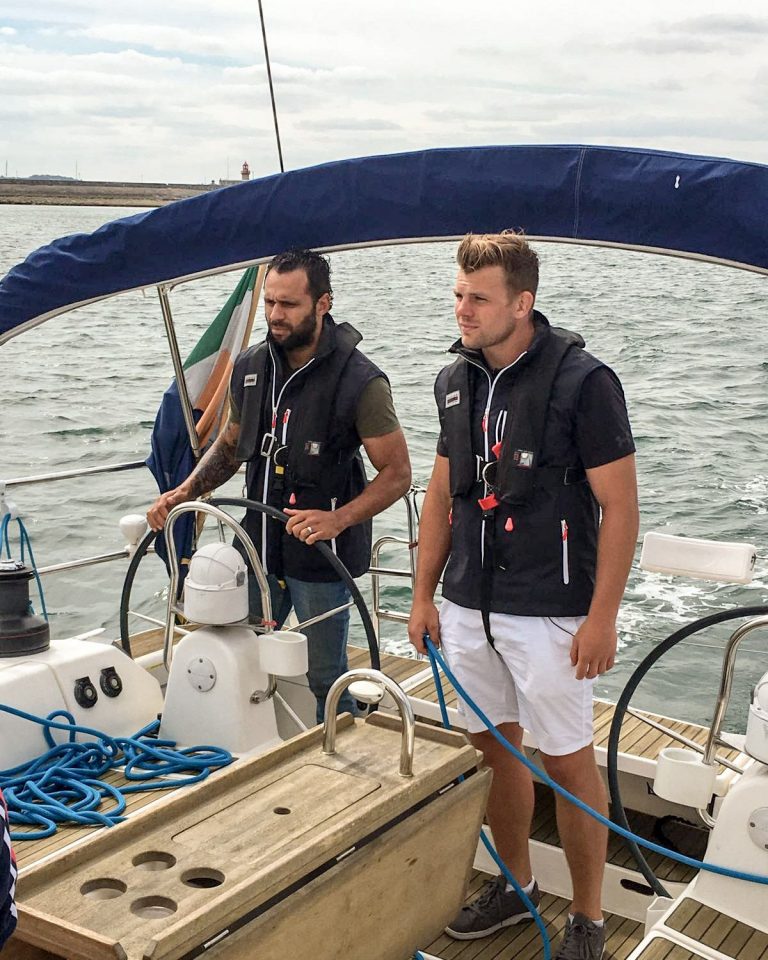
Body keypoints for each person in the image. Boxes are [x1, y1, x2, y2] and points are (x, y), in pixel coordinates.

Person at [408, 232, 638, 960]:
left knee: (568, 760)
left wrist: (601, 618)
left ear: (523, 302)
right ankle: (517, 886)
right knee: (496, 752)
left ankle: (590, 922)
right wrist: (423, 597)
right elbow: (442, 491)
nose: (463, 309)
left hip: (550, 609)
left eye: (479, 298)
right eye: (458, 294)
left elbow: (621, 508)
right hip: (467, 601)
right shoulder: (454, 379)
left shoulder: (584, 383)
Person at [148, 248, 411, 723]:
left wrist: (339, 519)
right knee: (234, 655)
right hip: (258, 547)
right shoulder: (248, 368)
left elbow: (397, 474)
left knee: (326, 677)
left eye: (288, 305)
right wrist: (184, 492)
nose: (274, 315)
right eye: (269, 302)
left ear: (323, 303)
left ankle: (347, 763)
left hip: (319, 558)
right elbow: (229, 445)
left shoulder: (361, 381)